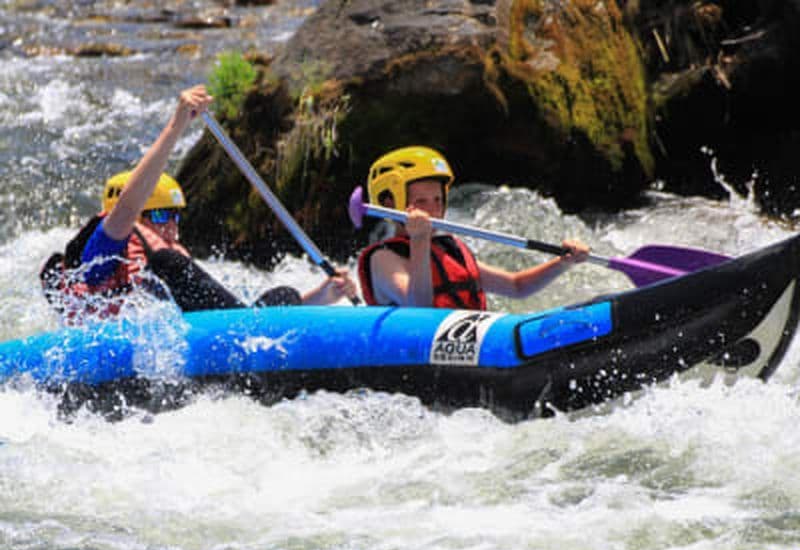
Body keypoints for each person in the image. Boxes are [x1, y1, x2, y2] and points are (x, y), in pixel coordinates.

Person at [40, 85, 355, 321]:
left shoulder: (165, 267)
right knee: (169, 261)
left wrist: (325, 295)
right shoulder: (104, 251)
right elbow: (127, 207)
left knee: (283, 295)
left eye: (176, 216)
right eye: (161, 215)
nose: (171, 226)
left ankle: (304, 305)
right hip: (118, 362)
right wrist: (176, 126)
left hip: (203, 342)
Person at [357, 146, 590, 309]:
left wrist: (563, 263)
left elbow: (517, 286)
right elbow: (419, 307)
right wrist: (419, 241)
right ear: (389, 204)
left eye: (437, 200)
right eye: (421, 202)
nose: (433, 210)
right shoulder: (383, 259)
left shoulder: (451, 251)